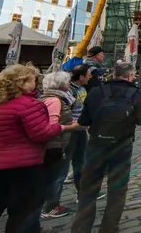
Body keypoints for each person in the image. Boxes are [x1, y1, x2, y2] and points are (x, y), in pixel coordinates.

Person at [0, 64, 75, 233]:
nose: (37, 83)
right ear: (23, 83)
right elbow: (41, 134)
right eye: (33, 80)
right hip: (23, 166)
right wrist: (64, 128)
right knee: (22, 213)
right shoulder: (29, 105)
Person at [71, 62, 141, 233]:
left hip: (96, 145)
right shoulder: (135, 92)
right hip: (122, 146)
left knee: (88, 190)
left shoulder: (97, 91)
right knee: (117, 190)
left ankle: (81, 228)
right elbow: (140, 119)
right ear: (129, 75)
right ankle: (109, 228)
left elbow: (84, 121)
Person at [40, 71, 77, 219]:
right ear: (61, 85)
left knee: (53, 174)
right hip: (56, 144)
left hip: (53, 143)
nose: (69, 84)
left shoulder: (45, 97)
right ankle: (51, 206)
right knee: (57, 175)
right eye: (67, 82)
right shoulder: (55, 100)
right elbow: (52, 125)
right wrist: (71, 126)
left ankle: (48, 204)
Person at [63, 65, 92, 195]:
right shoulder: (69, 91)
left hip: (81, 130)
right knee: (65, 164)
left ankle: (82, 192)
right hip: (70, 130)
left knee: (81, 161)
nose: (90, 76)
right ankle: (51, 205)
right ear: (81, 77)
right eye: (88, 74)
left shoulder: (82, 89)